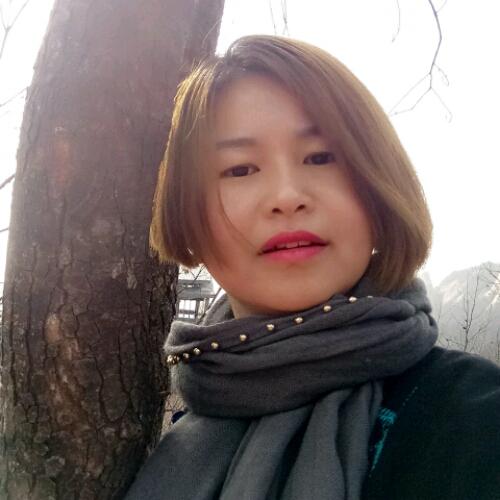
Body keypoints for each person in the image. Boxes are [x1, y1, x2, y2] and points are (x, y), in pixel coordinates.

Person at [124, 35, 500, 499]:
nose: (286, 196)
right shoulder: (169, 441)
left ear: (379, 187)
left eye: (320, 157)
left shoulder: (474, 419)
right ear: (186, 212)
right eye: (240, 169)